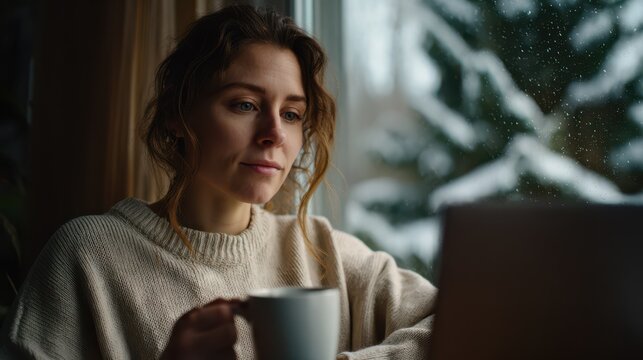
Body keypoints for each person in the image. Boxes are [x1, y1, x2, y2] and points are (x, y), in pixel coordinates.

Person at [1, 4, 437, 359]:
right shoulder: (85, 258)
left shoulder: (328, 256)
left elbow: (463, 323)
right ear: (177, 113)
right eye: (245, 104)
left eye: (291, 114)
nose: (274, 133)